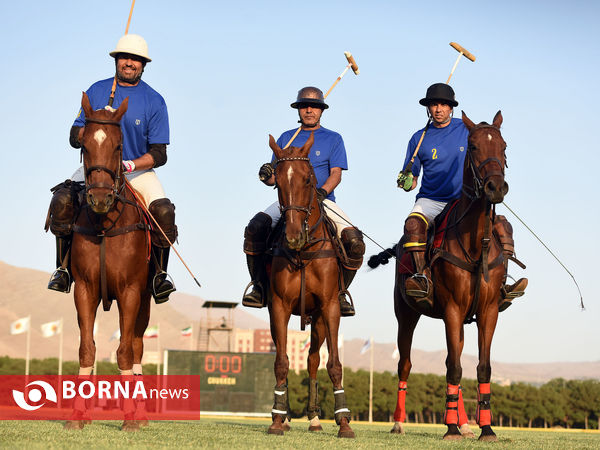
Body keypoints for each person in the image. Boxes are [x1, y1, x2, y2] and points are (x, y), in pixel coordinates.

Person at [45, 34, 177, 304]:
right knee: (61, 201)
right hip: (97, 168)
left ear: (143, 65)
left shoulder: (154, 100)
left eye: (136, 59)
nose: (130, 63)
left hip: (135, 171)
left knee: (164, 212)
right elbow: (74, 135)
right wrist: (95, 124)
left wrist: (131, 164)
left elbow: (159, 153)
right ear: (116, 60)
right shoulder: (97, 90)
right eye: (125, 57)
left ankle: (160, 274)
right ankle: (62, 269)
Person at [398, 83, 527, 311]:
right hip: (431, 199)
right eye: (434, 104)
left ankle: (502, 284)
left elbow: (488, 143)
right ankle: (422, 279)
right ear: (428, 108)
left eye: (443, 104)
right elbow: (413, 179)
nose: (438, 109)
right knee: (413, 225)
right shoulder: (418, 139)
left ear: (452, 108)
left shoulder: (467, 130)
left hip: (464, 198)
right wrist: (407, 179)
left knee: (503, 226)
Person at [242, 87, 365, 317]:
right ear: (298, 110)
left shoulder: (333, 138)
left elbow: (336, 174)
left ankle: (340, 292)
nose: (309, 110)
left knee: (354, 241)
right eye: (305, 106)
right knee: (255, 228)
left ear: (321, 111)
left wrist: (321, 192)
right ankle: (258, 285)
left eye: (314, 106)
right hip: (289, 203)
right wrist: (266, 174)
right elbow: (274, 178)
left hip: (323, 201)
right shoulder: (286, 138)